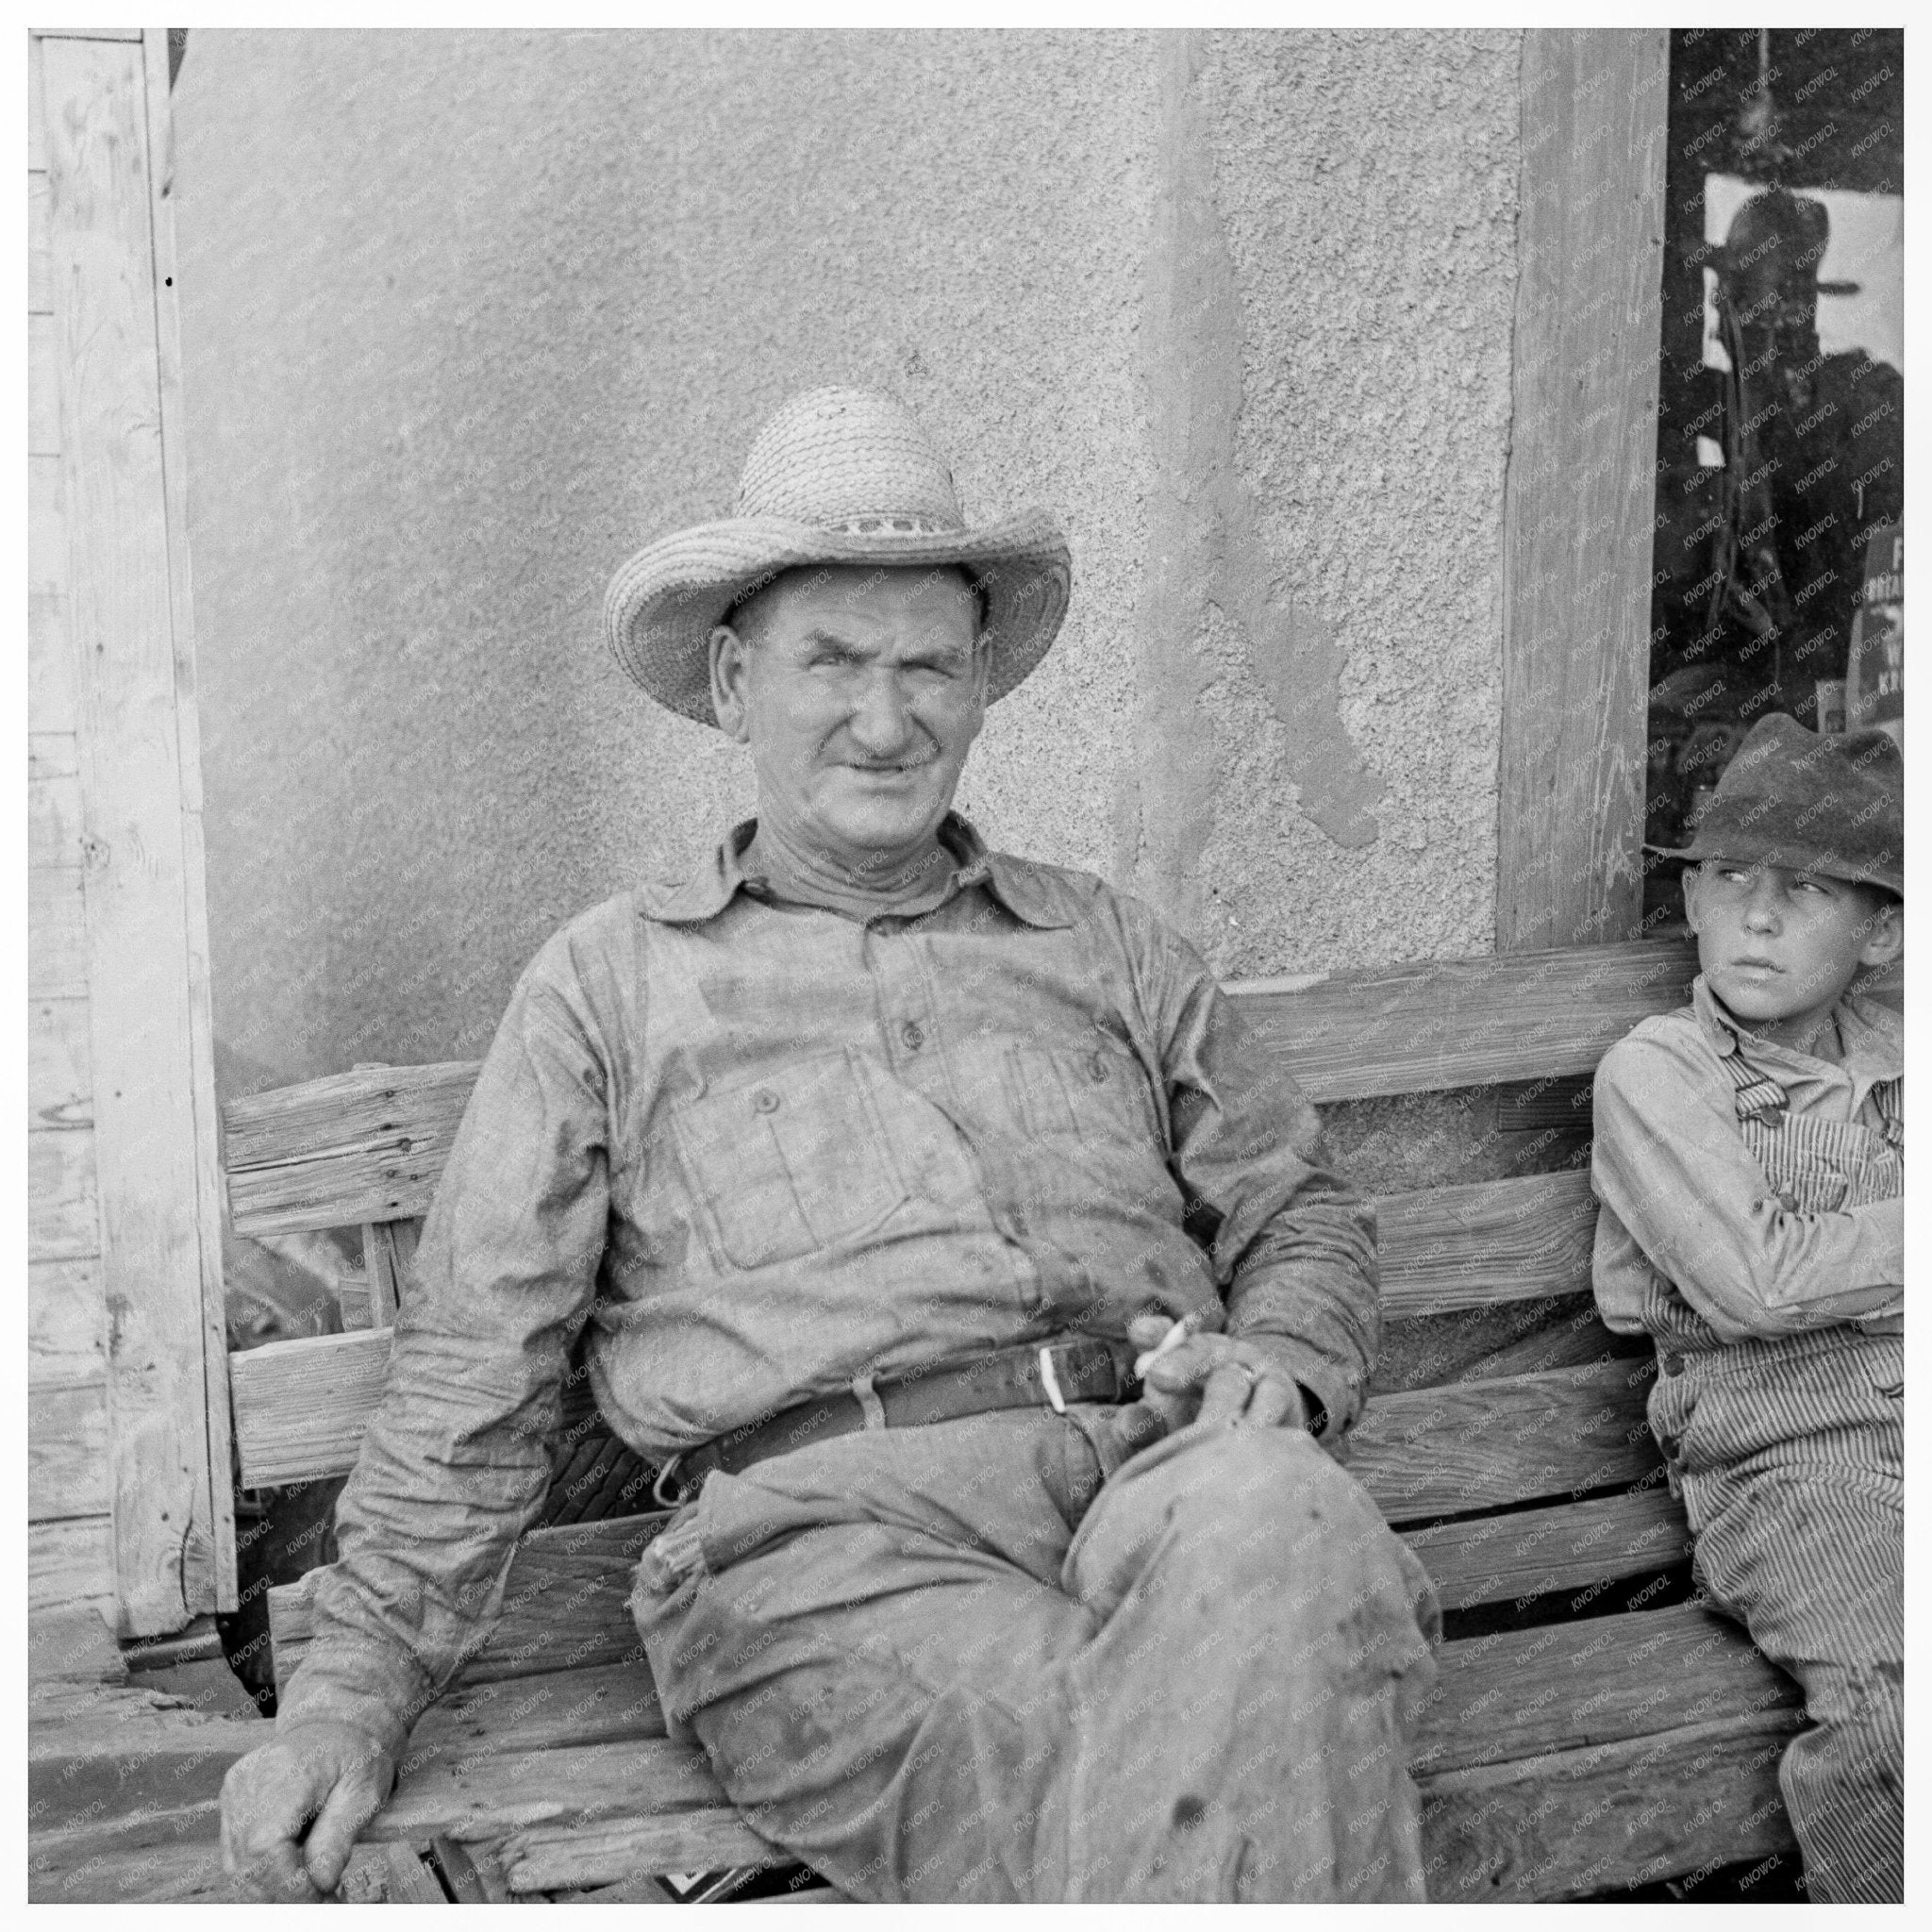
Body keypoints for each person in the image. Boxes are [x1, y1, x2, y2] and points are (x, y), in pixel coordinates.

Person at [219, 386, 1440, 1903]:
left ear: (981, 681)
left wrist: (1283, 1367)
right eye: (834, 663)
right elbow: (476, 1368)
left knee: (1286, 1517)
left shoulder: (1114, 947)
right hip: (829, 1554)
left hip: (1167, 1478)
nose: (885, 718)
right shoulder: (612, 986)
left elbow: (1298, 1213)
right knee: (1207, 1731)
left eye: (927, 665)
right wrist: (348, 1696)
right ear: (737, 682)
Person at [1590, 713, 1904, 1903]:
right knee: (1897, 1700)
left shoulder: (1900, 1051)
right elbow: (1757, 1281)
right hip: (1790, 1455)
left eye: (1804, 888)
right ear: (1688, 903)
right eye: (1728, 879)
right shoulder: (1659, 1069)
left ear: (1880, 932)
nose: (1756, 916)